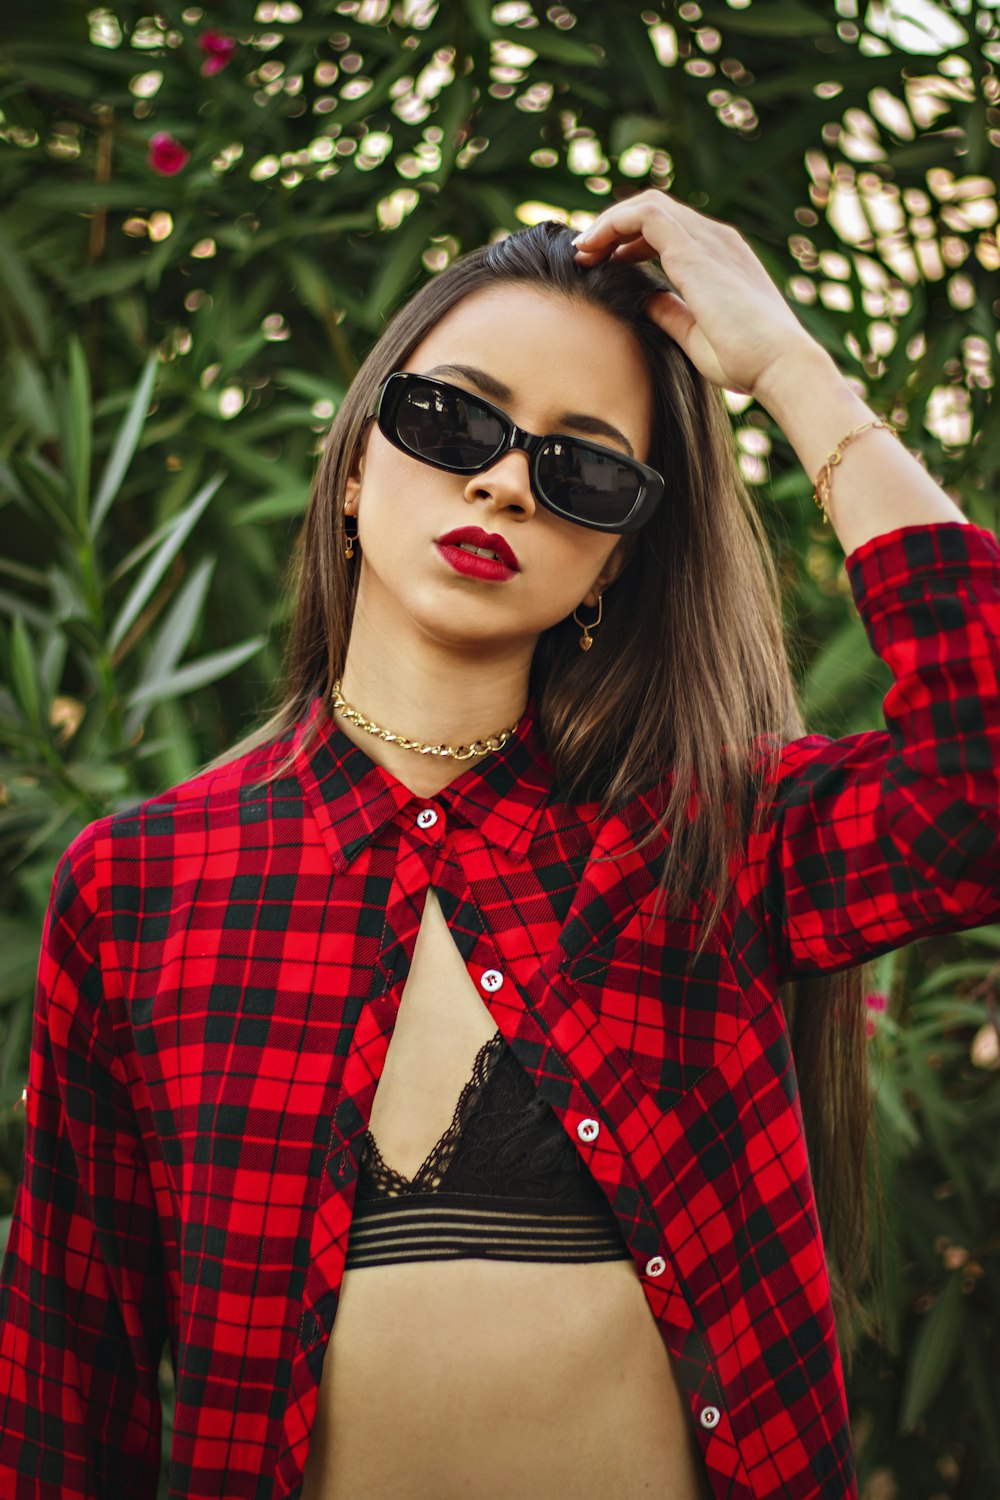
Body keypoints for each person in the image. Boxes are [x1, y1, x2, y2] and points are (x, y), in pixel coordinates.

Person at [0, 188, 997, 1500]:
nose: (501, 479)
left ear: (615, 564)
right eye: (452, 417)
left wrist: (793, 371)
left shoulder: (716, 841)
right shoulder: (142, 888)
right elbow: (75, 1391)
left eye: (581, 467)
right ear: (355, 463)